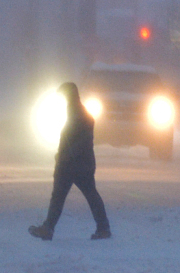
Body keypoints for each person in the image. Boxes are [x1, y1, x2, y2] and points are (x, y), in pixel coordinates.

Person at [29, 82, 111, 241]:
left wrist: (64, 157)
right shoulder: (78, 112)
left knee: (60, 196)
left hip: (72, 165)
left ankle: (48, 229)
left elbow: (79, 141)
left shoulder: (78, 114)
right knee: (89, 195)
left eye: (63, 96)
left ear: (69, 95)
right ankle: (103, 228)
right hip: (81, 164)